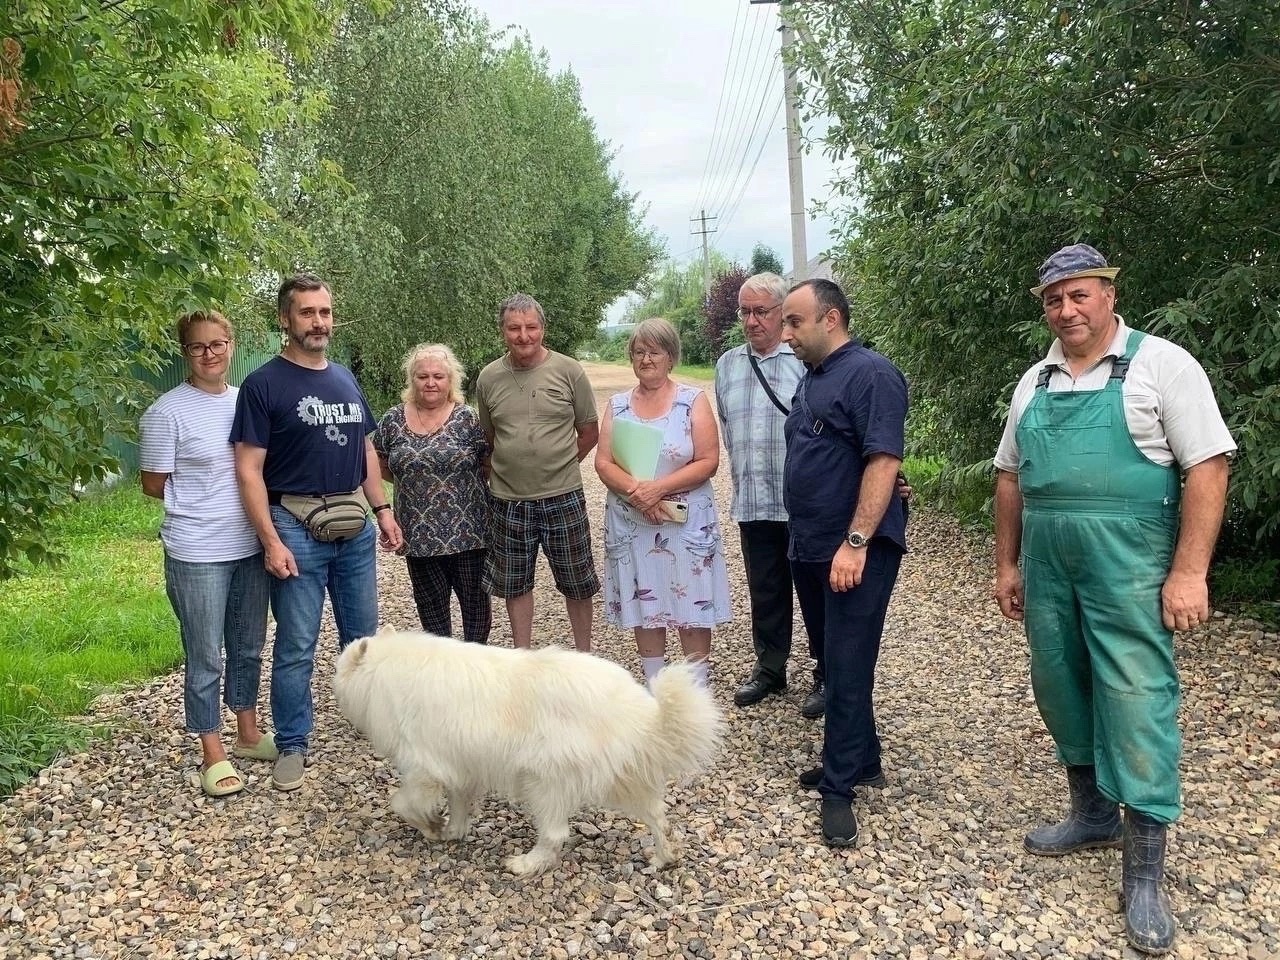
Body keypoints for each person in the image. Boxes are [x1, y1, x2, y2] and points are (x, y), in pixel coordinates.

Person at [993, 243, 1234, 955]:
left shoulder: (1162, 365)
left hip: (1128, 560)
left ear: (1107, 296)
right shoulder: (1034, 379)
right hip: (1048, 559)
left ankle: (1146, 869)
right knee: (1059, 682)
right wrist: (1007, 563)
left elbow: (1209, 466)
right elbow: (1009, 476)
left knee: (1135, 694)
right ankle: (1092, 814)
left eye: (1080, 295)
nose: (1066, 310)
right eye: (1053, 299)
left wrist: (1189, 572)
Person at [231, 274, 404, 792]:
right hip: (295, 524)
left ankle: (370, 721)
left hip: (354, 526)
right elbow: (248, 469)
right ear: (285, 319)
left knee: (364, 639)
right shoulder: (264, 385)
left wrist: (384, 510)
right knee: (297, 644)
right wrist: (271, 540)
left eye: (325, 312)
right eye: (307, 313)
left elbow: (366, 451)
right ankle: (293, 742)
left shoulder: (345, 379)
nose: (319, 322)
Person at [780, 278, 909, 848]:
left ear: (830, 319)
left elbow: (883, 460)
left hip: (850, 549)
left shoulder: (873, 374)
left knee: (847, 665)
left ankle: (838, 791)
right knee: (834, 657)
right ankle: (864, 760)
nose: (786, 334)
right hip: (809, 544)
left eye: (794, 322)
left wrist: (856, 542)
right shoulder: (815, 378)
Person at [139, 310, 276, 797]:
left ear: (231, 345)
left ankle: (247, 731)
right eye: (197, 347)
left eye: (217, 344)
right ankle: (211, 751)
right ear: (185, 353)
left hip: (249, 543)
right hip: (197, 550)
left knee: (247, 645)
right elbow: (153, 484)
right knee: (204, 654)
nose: (209, 354)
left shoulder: (246, 402)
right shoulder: (167, 411)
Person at [595, 317, 731, 688]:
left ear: (671, 357)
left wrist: (658, 489)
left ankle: (694, 694)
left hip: (685, 523)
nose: (646, 359)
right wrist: (638, 494)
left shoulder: (692, 401)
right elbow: (603, 462)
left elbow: (708, 460)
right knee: (646, 605)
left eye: (654, 351)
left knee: (692, 606)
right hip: (633, 520)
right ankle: (656, 690)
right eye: (639, 352)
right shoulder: (619, 405)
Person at [475, 293, 600, 651]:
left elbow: (589, 432)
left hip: (564, 496)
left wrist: (558, 464)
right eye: (514, 328)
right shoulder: (488, 378)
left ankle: (584, 655)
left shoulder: (569, 370)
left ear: (543, 328)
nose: (523, 335)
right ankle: (523, 657)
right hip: (508, 501)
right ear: (503, 331)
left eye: (531, 327)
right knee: (515, 584)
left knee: (577, 581)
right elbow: (490, 437)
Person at [714, 272, 815, 713]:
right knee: (766, 590)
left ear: (780, 313)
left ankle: (827, 674)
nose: (752, 321)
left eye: (761, 312)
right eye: (745, 312)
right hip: (754, 500)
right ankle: (770, 668)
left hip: (803, 504)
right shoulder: (727, 365)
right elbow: (727, 428)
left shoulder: (805, 360)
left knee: (815, 593)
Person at [374, 343, 492, 643]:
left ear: (450, 380)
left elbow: (487, 463)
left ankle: (475, 679)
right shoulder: (392, 420)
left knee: (476, 612)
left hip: (470, 535)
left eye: (438, 376)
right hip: (419, 537)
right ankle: (441, 682)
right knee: (432, 619)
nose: (430, 383)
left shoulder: (468, 419)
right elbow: (380, 464)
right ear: (411, 380)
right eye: (422, 376)